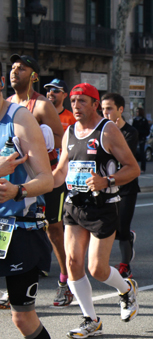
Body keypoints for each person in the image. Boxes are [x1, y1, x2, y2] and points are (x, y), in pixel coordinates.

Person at [0, 63, 69, 339]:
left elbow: (46, 179)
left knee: (22, 317)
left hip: (20, 231)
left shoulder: (19, 119)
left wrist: (18, 191)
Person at [53, 83, 141, 339]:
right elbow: (60, 171)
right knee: (72, 263)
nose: (76, 106)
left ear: (94, 104)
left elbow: (132, 168)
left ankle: (126, 290)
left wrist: (107, 181)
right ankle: (90, 319)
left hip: (103, 207)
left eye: (82, 101)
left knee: (98, 270)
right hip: (74, 204)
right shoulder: (69, 131)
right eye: (73, 101)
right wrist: (33, 186)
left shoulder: (107, 130)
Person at [9, 55, 69, 306]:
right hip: (19, 179)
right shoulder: (7, 104)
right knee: (13, 228)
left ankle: (65, 281)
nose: (15, 71)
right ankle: (14, 278)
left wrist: (44, 136)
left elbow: (61, 140)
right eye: (12, 68)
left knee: (54, 229)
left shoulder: (42, 106)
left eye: (22, 68)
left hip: (48, 177)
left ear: (33, 75)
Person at [43, 78, 76, 308]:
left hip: (61, 179)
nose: (50, 93)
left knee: (55, 228)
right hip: (36, 176)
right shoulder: (36, 114)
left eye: (55, 90)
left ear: (64, 94)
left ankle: (65, 280)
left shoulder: (71, 119)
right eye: (47, 90)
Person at [101, 93, 140, 279]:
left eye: (109, 108)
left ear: (120, 110)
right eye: (103, 109)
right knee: (108, 228)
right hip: (106, 188)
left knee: (122, 228)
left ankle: (126, 265)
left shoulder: (129, 133)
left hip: (126, 188)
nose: (105, 112)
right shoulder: (101, 132)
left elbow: (123, 159)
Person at [132, 107, 150, 173]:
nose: (137, 113)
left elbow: (147, 131)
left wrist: (140, 132)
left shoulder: (144, 120)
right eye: (136, 111)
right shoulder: (135, 120)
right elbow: (132, 128)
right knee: (134, 154)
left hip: (142, 139)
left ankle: (143, 168)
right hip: (135, 139)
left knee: (142, 154)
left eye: (138, 111)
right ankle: (134, 168)